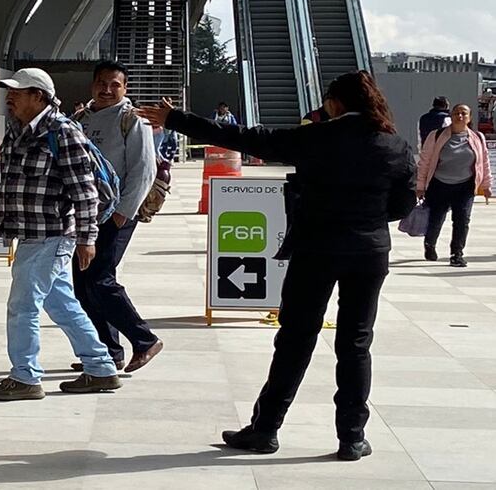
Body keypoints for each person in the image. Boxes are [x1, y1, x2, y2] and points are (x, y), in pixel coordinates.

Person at [139, 71, 415, 462]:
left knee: (296, 338)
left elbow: (247, 138)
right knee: (356, 342)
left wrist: (177, 119)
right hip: (368, 252)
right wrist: (366, 217)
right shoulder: (395, 145)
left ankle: (266, 429)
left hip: (316, 248)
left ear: (335, 103)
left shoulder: (317, 137)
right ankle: (352, 437)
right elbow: (403, 205)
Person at [0, 67, 121, 401]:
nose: (9, 97)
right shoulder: (16, 130)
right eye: (9, 91)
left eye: (17, 92)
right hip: (31, 234)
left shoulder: (62, 133)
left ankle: (25, 377)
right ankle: (101, 367)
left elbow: (85, 193)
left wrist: (87, 239)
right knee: (61, 304)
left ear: (39, 97)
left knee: (22, 306)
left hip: (52, 235)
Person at [70, 60, 163, 373]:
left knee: (100, 279)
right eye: (102, 83)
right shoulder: (80, 119)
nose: (107, 90)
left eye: (115, 85)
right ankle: (107, 351)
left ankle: (145, 340)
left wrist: (123, 213)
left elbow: (144, 169)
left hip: (116, 214)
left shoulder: (132, 120)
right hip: (86, 214)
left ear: (125, 88)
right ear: (92, 85)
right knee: (83, 285)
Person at [417, 103, 492, 267]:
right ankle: (430, 244)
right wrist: (420, 186)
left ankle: (456, 254)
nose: (460, 116)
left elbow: (484, 162)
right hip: (439, 184)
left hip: (465, 186)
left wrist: (486, 185)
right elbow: (425, 162)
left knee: (462, 220)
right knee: (436, 219)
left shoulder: (478, 137)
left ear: (469, 118)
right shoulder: (436, 135)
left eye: (464, 113)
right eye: (456, 113)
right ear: (450, 116)